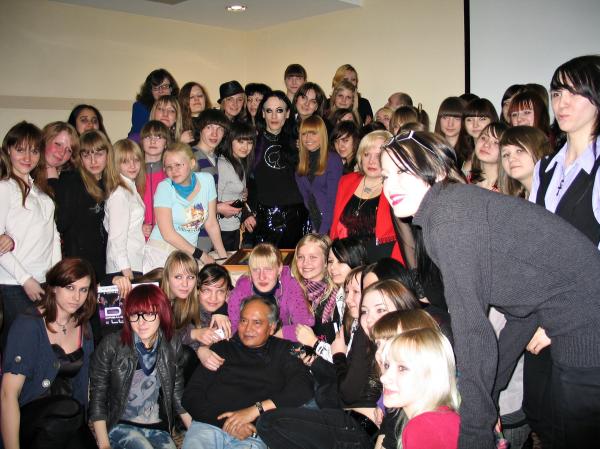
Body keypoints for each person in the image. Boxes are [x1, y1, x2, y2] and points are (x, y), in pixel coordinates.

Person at [380, 129, 600, 448]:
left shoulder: (449, 218)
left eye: (403, 172)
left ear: (437, 171)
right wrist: (489, 396)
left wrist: (475, 434)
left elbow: (473, 332)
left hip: (586, 314)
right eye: (386, 175)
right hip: (570, 308)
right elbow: (523, 310)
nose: (390, 186)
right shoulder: (450, 209)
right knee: (555, 425)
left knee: (576, 432)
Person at [526, 55, 600, 446]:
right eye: (557, 92)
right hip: (543, 320)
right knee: (544, 420)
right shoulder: (546, 167)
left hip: (585, 329)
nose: (562, 102)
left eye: (575, 92)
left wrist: (559, 321)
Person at [182, 296, 314, 449]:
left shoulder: (288, 349)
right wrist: (227, 423)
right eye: (244, 321)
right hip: (209, 425)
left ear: (272, 327)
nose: (248, 329)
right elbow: (190, 396)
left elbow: (303, 387)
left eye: (257, 322)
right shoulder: (221, 348)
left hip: (253, 433)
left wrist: (256, 410)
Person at [1, 258, 97, 449]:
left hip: (68, 420)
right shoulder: (29, 325)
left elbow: (85, 385)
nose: (76, 297)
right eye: (70, 287)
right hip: (30, 420)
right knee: (67, 407)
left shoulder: (83, 326)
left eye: (83, 290)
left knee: (72, 415)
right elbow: (8, 394)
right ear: (53, 288)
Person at [89, 284, 192, 449]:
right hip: (120, 425)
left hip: (158, 427)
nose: (141, 322)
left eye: (149, 314)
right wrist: (104, 444)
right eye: (135, 315)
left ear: (162, 313)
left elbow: (176, 393)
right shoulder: (111, 344)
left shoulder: (172, 344)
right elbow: (98, 395)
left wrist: (194, 429)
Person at [0, 121, 61, 350]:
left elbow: (53, 238)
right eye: (20, 150)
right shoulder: (4, 188)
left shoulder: (39, 191)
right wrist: (25, 279)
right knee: (18, 352)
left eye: (34, 151)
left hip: (44, 282)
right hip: (15, 284)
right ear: (8, 150)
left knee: (39, 350)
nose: (28, 157)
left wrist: (56, 279)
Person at [143, 142, 227, 272]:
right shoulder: (164, 188)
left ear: (192, 163)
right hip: (161, 253)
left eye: (178, 165)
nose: (174, 171)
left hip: (188, 255)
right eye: (169, 167)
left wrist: (224, 258)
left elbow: (211, 224)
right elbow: (168, 234)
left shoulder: (207, 180)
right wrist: (201, 255)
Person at [55, 129, 123, 282]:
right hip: (79, 265)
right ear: (80, 157)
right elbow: (60, 224)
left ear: (108, 154)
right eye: (86, 155)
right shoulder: (72, 182)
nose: (93, 161)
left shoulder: (111, 183)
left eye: (98, 154)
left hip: (107, 263)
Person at [247, 90, 310, 248]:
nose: (274, 116)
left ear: (287, 114)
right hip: (264, 217)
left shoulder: (300, 142)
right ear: (263, 114)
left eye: (279, 110)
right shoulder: (251, 143)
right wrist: (245, 213)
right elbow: (242, 181)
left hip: (296, 217)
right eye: (269, 111)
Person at [380, 328, 460, 449]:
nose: (384, 378)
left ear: (433, 375)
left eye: (402, 368)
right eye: (387, 365)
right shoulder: (441, 420)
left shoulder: (424, 427)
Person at [330, 130, 402, 262]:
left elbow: (403, 237)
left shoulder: (396, 187)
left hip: (380, 261)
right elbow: (335, 226)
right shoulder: (346, 181)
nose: (371, 161)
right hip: (347, 260)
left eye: (379, 155)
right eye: (366, 154)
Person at [227, 243, 313, 343]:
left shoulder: (290, 285)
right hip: (250, 344)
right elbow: (234, 328)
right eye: (256, 270)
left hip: (281, 342)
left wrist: (269, 334)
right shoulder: (241, 290)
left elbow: (304, 325)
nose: (262, 277)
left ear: (279, 269)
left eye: (268, 269)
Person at [104, 138, 146, 280]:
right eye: (125, 161)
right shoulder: (120, 194)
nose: (132, 165)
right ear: (116, 164)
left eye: (136, 160)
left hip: (133, 262)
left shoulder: (130, 188)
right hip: (124, 268)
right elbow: (116, 239)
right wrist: (127, 273)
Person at [295, 115, 343, 234]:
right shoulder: (301, 164)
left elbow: (333, 201)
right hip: (312, 223)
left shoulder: (333, 160)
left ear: (322, 135)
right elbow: (307, 199)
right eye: (304, 134)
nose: (308, 138)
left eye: (313, 133)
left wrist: (322, 232)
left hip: (330, 225)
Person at [217, 121, 256, 250]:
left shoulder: (240, 163)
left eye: (249, 142)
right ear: (230, 141)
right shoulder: (223, 164)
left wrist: (245, 214)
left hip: (234, 226)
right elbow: (214, 198)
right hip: (222, 230)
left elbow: (237, 197)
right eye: (240, 141)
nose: (245, 147)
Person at [498, 126, 552, 198]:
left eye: (519, 151)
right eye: (506, 154)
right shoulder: (517, 199)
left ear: (540, 151)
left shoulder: (555, 194)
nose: (511, 159)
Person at [129, 69, 179, 142]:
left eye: (165, 86)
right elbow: (137, 135)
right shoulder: (141, 107)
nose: (161, 91)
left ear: (171, 89)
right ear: (150, 91)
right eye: (156, 88)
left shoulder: (178, 107)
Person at [140, 120, 171, 239]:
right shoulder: (132, 172)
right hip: (138, 239)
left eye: (158, 137)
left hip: (165, 239)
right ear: (142, 142)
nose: (153, 141)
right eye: (148, 137)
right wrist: (138, 226)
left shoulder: (172, 174)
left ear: (166, 143)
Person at [468, 122, 508, 190]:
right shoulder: (464, 181)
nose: (486, 144)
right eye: (483, 138)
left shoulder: (509, 190)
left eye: (496, 142)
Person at [179, 81, 212, 147]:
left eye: (199, 96)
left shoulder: (214, 121)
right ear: (184, 101)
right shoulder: (178, 125)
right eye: (191, 97)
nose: (196, 99)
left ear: (205, 99)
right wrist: (179, 143)